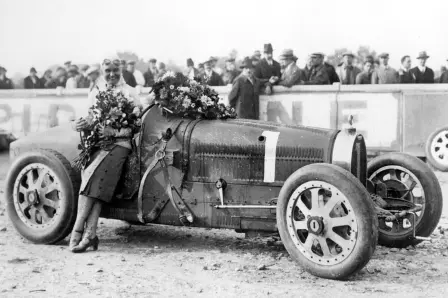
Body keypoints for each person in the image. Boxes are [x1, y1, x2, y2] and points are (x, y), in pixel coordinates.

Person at [69, 58, 142, 253]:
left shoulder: (130, 93)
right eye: (107, 70)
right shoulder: (96, 93)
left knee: (95, 179)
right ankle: (89, 234)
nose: (111, 74)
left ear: (121, 70)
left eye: (115, 70)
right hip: (99, 145)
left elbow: (137, 126)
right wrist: (79, 124)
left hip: (121, 145)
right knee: (95, 183)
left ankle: (79, 232)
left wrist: (115, 133)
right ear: (102, 71)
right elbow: (91, 120)